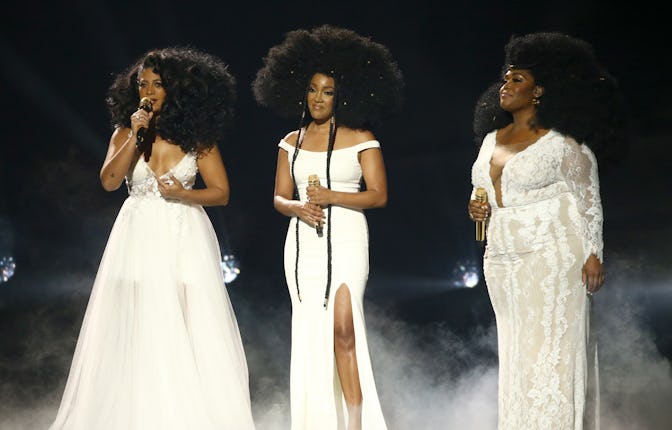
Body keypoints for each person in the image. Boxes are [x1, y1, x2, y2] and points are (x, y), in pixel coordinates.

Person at [48, 46, 256, 430]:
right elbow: (110, 181)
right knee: (139, 320)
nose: (148, 90)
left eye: (157, 84)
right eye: (142, 83)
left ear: (174, 89)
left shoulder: (197, 138)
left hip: (183, 233)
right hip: (138, 233)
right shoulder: (126, 133)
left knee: (184, 321)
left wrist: (183, 195)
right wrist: (135, 134)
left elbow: (221, 192)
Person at [468, 32, 629, 430]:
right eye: (504, 79)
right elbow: (483, 193)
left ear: (540, 91)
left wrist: (594, 253)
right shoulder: (490, 140)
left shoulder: (563, 146)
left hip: (553, 256)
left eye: (516, 79)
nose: (505, 86)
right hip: (501, 259)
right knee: (517, 354)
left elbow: (589, 199)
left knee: (551, 354)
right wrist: (476, 208)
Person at [252, 25, 404, 430]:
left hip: (349, 239)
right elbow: (279, 198)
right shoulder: (291, 142)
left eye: (328, 91)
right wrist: (299, 207)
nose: (318, 98)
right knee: (310, 335)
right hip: (303, 246)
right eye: (313, 89)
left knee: (343, 329)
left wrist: (332, 197)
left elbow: (379, 195)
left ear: (344, 95)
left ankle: (355, 422)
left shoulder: (362, 138)